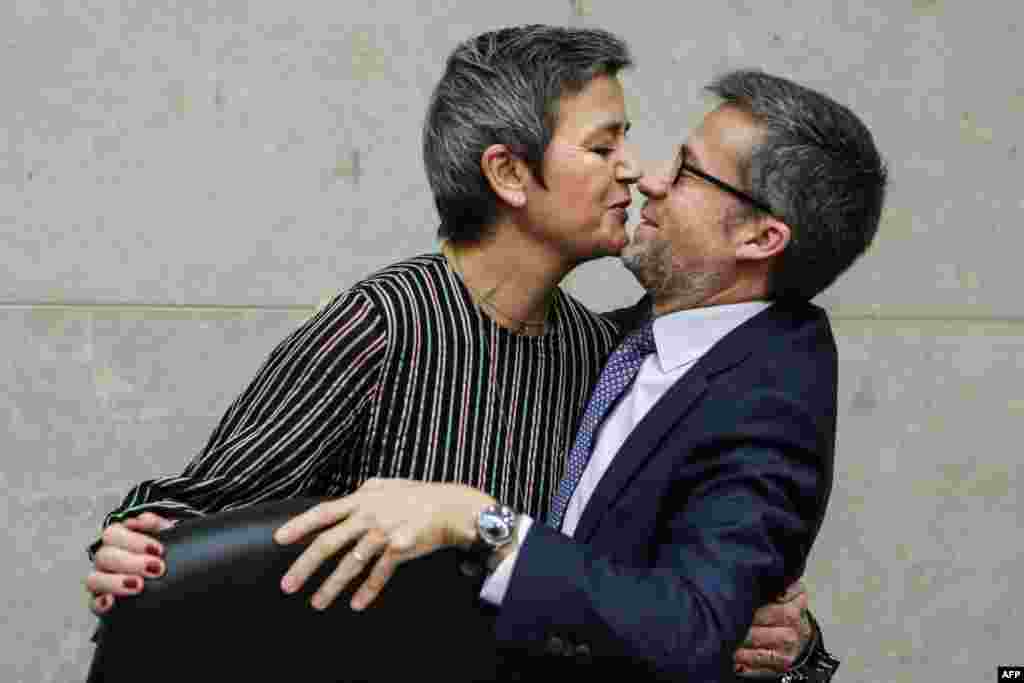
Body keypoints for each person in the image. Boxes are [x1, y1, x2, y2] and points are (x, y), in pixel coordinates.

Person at [84, 26, 821, 677]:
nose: (634, 169)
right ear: (509, 174)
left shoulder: (607, 356)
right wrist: (130, 550)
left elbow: (654, 593)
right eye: (603, 147)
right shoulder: (383, 326)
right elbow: (194, 512)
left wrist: (788, 641)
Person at [271, 68, 887, 680]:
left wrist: (479, 523)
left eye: (686, 172)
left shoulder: (773, 395)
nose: (648, 179)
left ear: (760, 237)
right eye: (602, 148)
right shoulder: (603, 341)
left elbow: (692, 626)